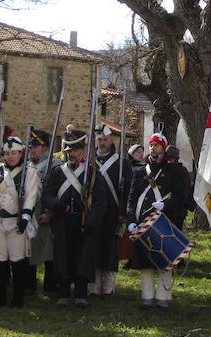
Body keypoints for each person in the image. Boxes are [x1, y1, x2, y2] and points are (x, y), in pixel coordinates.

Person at [40, 127, 105, 307]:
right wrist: (56, 205)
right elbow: (47, 194)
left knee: (82, 258)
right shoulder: (57, 172)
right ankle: (62, 294)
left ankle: (81, 294)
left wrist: (91, 222)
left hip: (83, 222)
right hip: (62, 220)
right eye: (69, 150)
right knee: (62, 257)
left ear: (82, 151)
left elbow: (100, 201)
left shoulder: (92, 173)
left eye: (75, 150)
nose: (72, 154)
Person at [126, 132, 192, 309]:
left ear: (163, 147)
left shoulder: (174, 170)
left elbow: (181, 195)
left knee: (165, 260)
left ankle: (163, 297)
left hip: (165, 219)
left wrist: (166, 205)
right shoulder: (140, 170)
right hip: (144, 220)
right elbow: (132, 198)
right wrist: (131, 220)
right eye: (150, 145)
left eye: (156, 144)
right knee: (145, 263)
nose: (152, 147)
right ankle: (147, 297)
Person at [0, 135, 39, 308]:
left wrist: (25, 217)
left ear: (21, 153)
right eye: (8, 153)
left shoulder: (29, 171)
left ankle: (17, 299)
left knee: (18, 261)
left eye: (14, 153)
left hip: (15, 222)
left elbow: (31, 196)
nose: (11, 156)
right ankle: (0, 298)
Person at [90, 125, 132, 298]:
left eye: (105, 139)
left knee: (110, 250)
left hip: (113, 212)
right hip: (94, 212)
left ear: (111, 140)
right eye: (99, 140)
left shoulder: (122, 163)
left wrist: (123, 212)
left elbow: (128, 190)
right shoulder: (91, 161)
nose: (102, 143)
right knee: (93, 248)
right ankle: (94, 286)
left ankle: (108, 287)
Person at [28, 127, 58, 295]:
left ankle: (50, 286)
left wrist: (50, 213)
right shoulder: (27, 167)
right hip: (30, 213)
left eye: (35, 147)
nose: (32, 150)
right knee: (29, 250)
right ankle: (29, 285)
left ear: (45, 148)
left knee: (49, 252)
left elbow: (58, 192)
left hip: (47, 213)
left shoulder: (55, 166)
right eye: (31, 147)